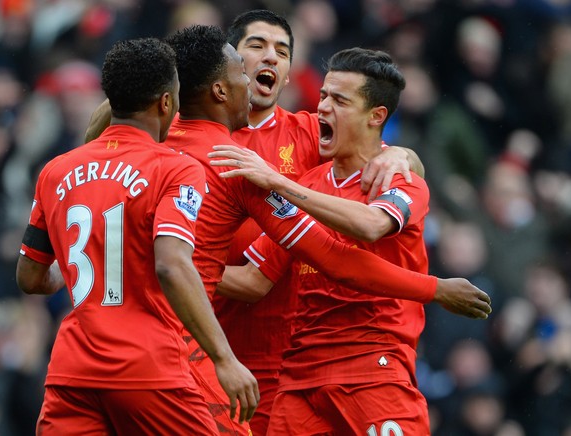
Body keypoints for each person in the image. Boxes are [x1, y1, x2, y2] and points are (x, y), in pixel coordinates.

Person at [85, 24, 491, 435]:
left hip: (314, 364)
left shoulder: (308, 143)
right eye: (255, 48)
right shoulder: (175, 137)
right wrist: (176, 269)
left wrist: (403, 155)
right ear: (223, 74)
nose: (269, 59)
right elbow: (105, 138)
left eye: (282, 50)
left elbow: (370, 200)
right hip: (223, 358)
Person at [209, 47, 482, 435]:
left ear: (376, 117)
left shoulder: (400, 180)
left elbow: (371, 225)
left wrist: (277, 181)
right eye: (322, 96)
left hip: (373, 369)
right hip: (300, 380)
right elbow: (255, 280)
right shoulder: (309, 185)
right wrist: (179, 266)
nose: (322, 108)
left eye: (339, 100)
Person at [14, 37, 258, 435]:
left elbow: (31, 277)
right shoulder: (175, 169)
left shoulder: (56, 171)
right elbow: (171, 264)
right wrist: (224, 359)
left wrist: (88, 266)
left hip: (71, 372)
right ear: (166, 103)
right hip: (146, 369)